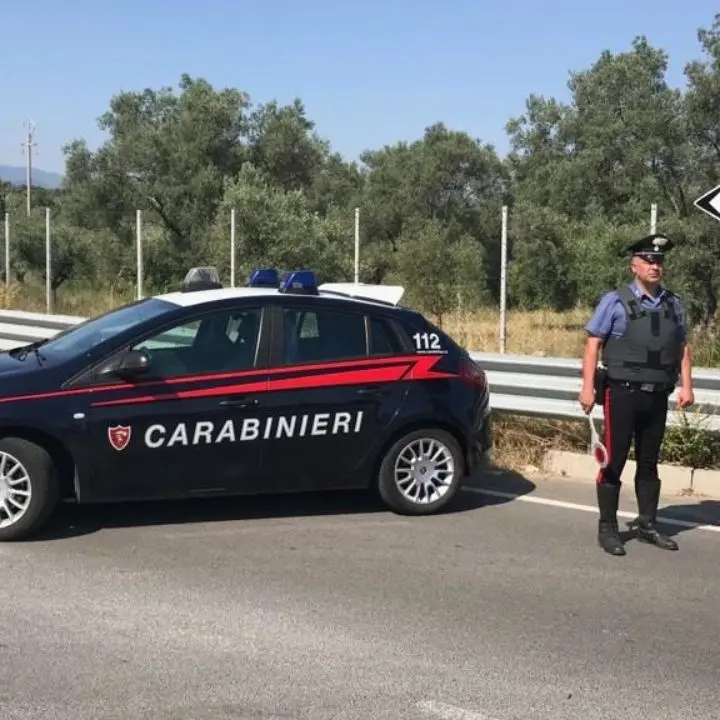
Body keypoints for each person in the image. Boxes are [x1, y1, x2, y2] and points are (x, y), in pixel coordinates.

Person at [578, 233, 695, 556]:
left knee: (649, 463)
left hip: (657, 395)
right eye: (648, 260)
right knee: (613, 461)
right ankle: (608, 528)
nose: (655, 265)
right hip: (622, 394)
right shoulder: (614, 301)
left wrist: (687, 385)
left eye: (659, 261)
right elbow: (592, 346)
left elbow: (682, 346)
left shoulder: (674, 303)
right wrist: (587, 387)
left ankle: (647, 524)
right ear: (634, 266)